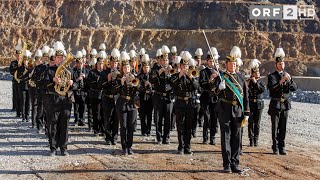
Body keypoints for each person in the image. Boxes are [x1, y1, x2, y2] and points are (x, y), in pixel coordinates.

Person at [212, 46, 249, 173]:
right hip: (225, 109)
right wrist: (219, 88)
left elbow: (245, 96)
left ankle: (235, 163)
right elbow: (213, 93)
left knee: (236, 138)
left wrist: (247, 112)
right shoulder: (221, 77)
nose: (233, 66)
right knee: (226, 137)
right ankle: (227, 164)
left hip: (238, 110)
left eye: (234, 64)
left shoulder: (241, 78)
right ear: (226, 64)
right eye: (230, 64)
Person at [41, 41, 77, 156]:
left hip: (66, 101)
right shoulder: (50, 71)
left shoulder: (70, 71)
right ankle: (53, 148)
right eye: (58, 57)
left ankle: (64, 148)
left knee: (64, 125)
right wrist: (53, 81)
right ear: (54, 58)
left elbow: (78, 85)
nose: (60, 59)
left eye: (62, 57)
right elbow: (43, 84)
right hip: (53, 101)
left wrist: (72, 83)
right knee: (53, 125)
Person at [267, 48, 297, 155]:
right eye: (280, 64)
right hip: (275, 104)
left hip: (285, 104)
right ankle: (275, 147)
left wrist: (289, 80)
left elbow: (294, 87)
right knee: (275, 127)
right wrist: (281, 81)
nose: (282, 65)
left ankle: (282, 146)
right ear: (276, 65)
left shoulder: (287, 75)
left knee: (283, 127)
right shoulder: (272, 76)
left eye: (283, 63)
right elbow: (272, 88)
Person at [171, 51, 199, 155]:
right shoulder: (175, 76)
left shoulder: (192, 75)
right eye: (183, 65)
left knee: (188, 126)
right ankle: (180, 146)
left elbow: (197, 87)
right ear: (180, 66)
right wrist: (179, 76)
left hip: (190, 104)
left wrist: (191, 78)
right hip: (180, 103)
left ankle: (188, 146)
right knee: (180, 126)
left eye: (186, 66)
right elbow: (172, 87)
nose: (185, 67)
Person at [116, 51, 140, 155]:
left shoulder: (134, 77)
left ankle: (130, 146)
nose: (127, 70)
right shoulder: (118, 78)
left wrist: (135, 84)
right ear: (122, 69)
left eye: (128, 68)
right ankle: (124, 147)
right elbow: (114, 91)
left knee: (131, 126)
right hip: (122, 103)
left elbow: (140, 89)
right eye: (125, 68)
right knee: (124, 126)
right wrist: (121, 83)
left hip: (132, 104)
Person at [150, 45, 174, 144]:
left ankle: (166, 137)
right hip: (158, 96)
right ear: (160, 61)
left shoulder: (171, 70)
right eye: (163, 61)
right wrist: (159, 72)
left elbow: (174, 83)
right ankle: (159, 137)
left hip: (168, 97)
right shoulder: (155, 70)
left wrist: (171, 73)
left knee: (168, 118)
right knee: (158, 118)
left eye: (166, 61)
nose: (165, 62)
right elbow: (151, 80)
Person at [99, 48, 121, 145]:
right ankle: (108, 137)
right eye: (113, 62)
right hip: (107, 98)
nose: (114, 65)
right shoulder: (104, 72)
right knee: (107, 118)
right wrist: (107, 79)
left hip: (117, 98)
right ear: (110, 62)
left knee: (116, 119)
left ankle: (115, 137)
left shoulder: (120, 73)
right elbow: (100, 85)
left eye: (116, 63)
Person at [199, 47, 220, 145]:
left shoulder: (218, 72)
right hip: (206, 97)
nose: (212, 63)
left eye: (214, 61)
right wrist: (210, 79)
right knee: (206, 118)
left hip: (214, 97)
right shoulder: (203, 72)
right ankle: (205, 137)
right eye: (210, 61)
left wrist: (218, 76)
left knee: (214, 118)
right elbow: (202, 84)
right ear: (207, 61)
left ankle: (212, 137)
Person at [86, 51, 106, 136]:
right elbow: (90, 83)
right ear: (96, 64)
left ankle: (102, 129)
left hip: (103, 96)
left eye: (102, 63)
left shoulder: (105, 72)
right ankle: (96, 129)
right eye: (99, 63)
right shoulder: (92, 72)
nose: (100, 65)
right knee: (96, 113)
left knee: (103, 113)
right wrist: (98, 82)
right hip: (94, 95)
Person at [247, 59, 266, 147]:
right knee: (250, 122)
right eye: (256, 73)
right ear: (252, 74)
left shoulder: (261, 82)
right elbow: (247, 92)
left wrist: (255, 83)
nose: (258, 74)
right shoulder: (249, 82)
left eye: (258, 72)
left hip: (259, 105)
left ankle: (256, 139)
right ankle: (251, 139)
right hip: (251, 104)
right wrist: (249, 83)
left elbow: (261, 90)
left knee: (257, 123)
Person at [137, 54, 153, 136]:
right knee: (142, 115)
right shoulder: (139, 76)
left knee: (149, 115)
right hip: (142, 98)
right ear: (142, 68)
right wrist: (144, 90)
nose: (146, 69)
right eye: (144, 67)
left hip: (150, 98)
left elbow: (154, 86)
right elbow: (137, 86)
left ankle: (149, 130)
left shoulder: (152, 76)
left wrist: (150, 87)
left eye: (147, 67)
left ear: (149, 68)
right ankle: (143, 131)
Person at [73, 51, 89, 126]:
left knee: (83, 106)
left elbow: (89, 81)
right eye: (78, 63)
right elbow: (72, 81)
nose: (80, 65)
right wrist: (78, 79)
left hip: (83, 90)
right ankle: (76, 120)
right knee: (76, 107)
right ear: (76, 63)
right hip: (76, 91)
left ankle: (82, 120)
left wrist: (85, 77)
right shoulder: (73, 71)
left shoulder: (86, 70)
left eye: (81, 63)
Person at [9, 41, 23, 114]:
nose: (18, 56)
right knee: (15, 94)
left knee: (21, 95)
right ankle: (14, 107)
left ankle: (21, 108)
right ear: (15, 55)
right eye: (17, 55)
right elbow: (11, 71)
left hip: (22, 81)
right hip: (15, 81)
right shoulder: (13, 63)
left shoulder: (23, 62)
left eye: (19, 55)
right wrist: (17, 67)